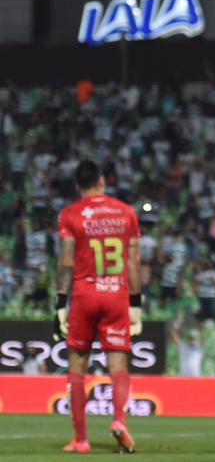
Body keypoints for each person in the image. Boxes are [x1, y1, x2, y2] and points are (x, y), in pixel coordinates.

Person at [53, 160, 142, 454]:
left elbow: (66, 261)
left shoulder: (70, 214)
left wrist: (60, 302)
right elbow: (133, 262)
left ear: (78, 186)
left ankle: (81, 439)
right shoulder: (126, 213)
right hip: (116, 295)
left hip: (84, 295)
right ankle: (119, 421)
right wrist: (136, 303)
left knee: (77, 365)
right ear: (102, 181)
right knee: (118, 364)